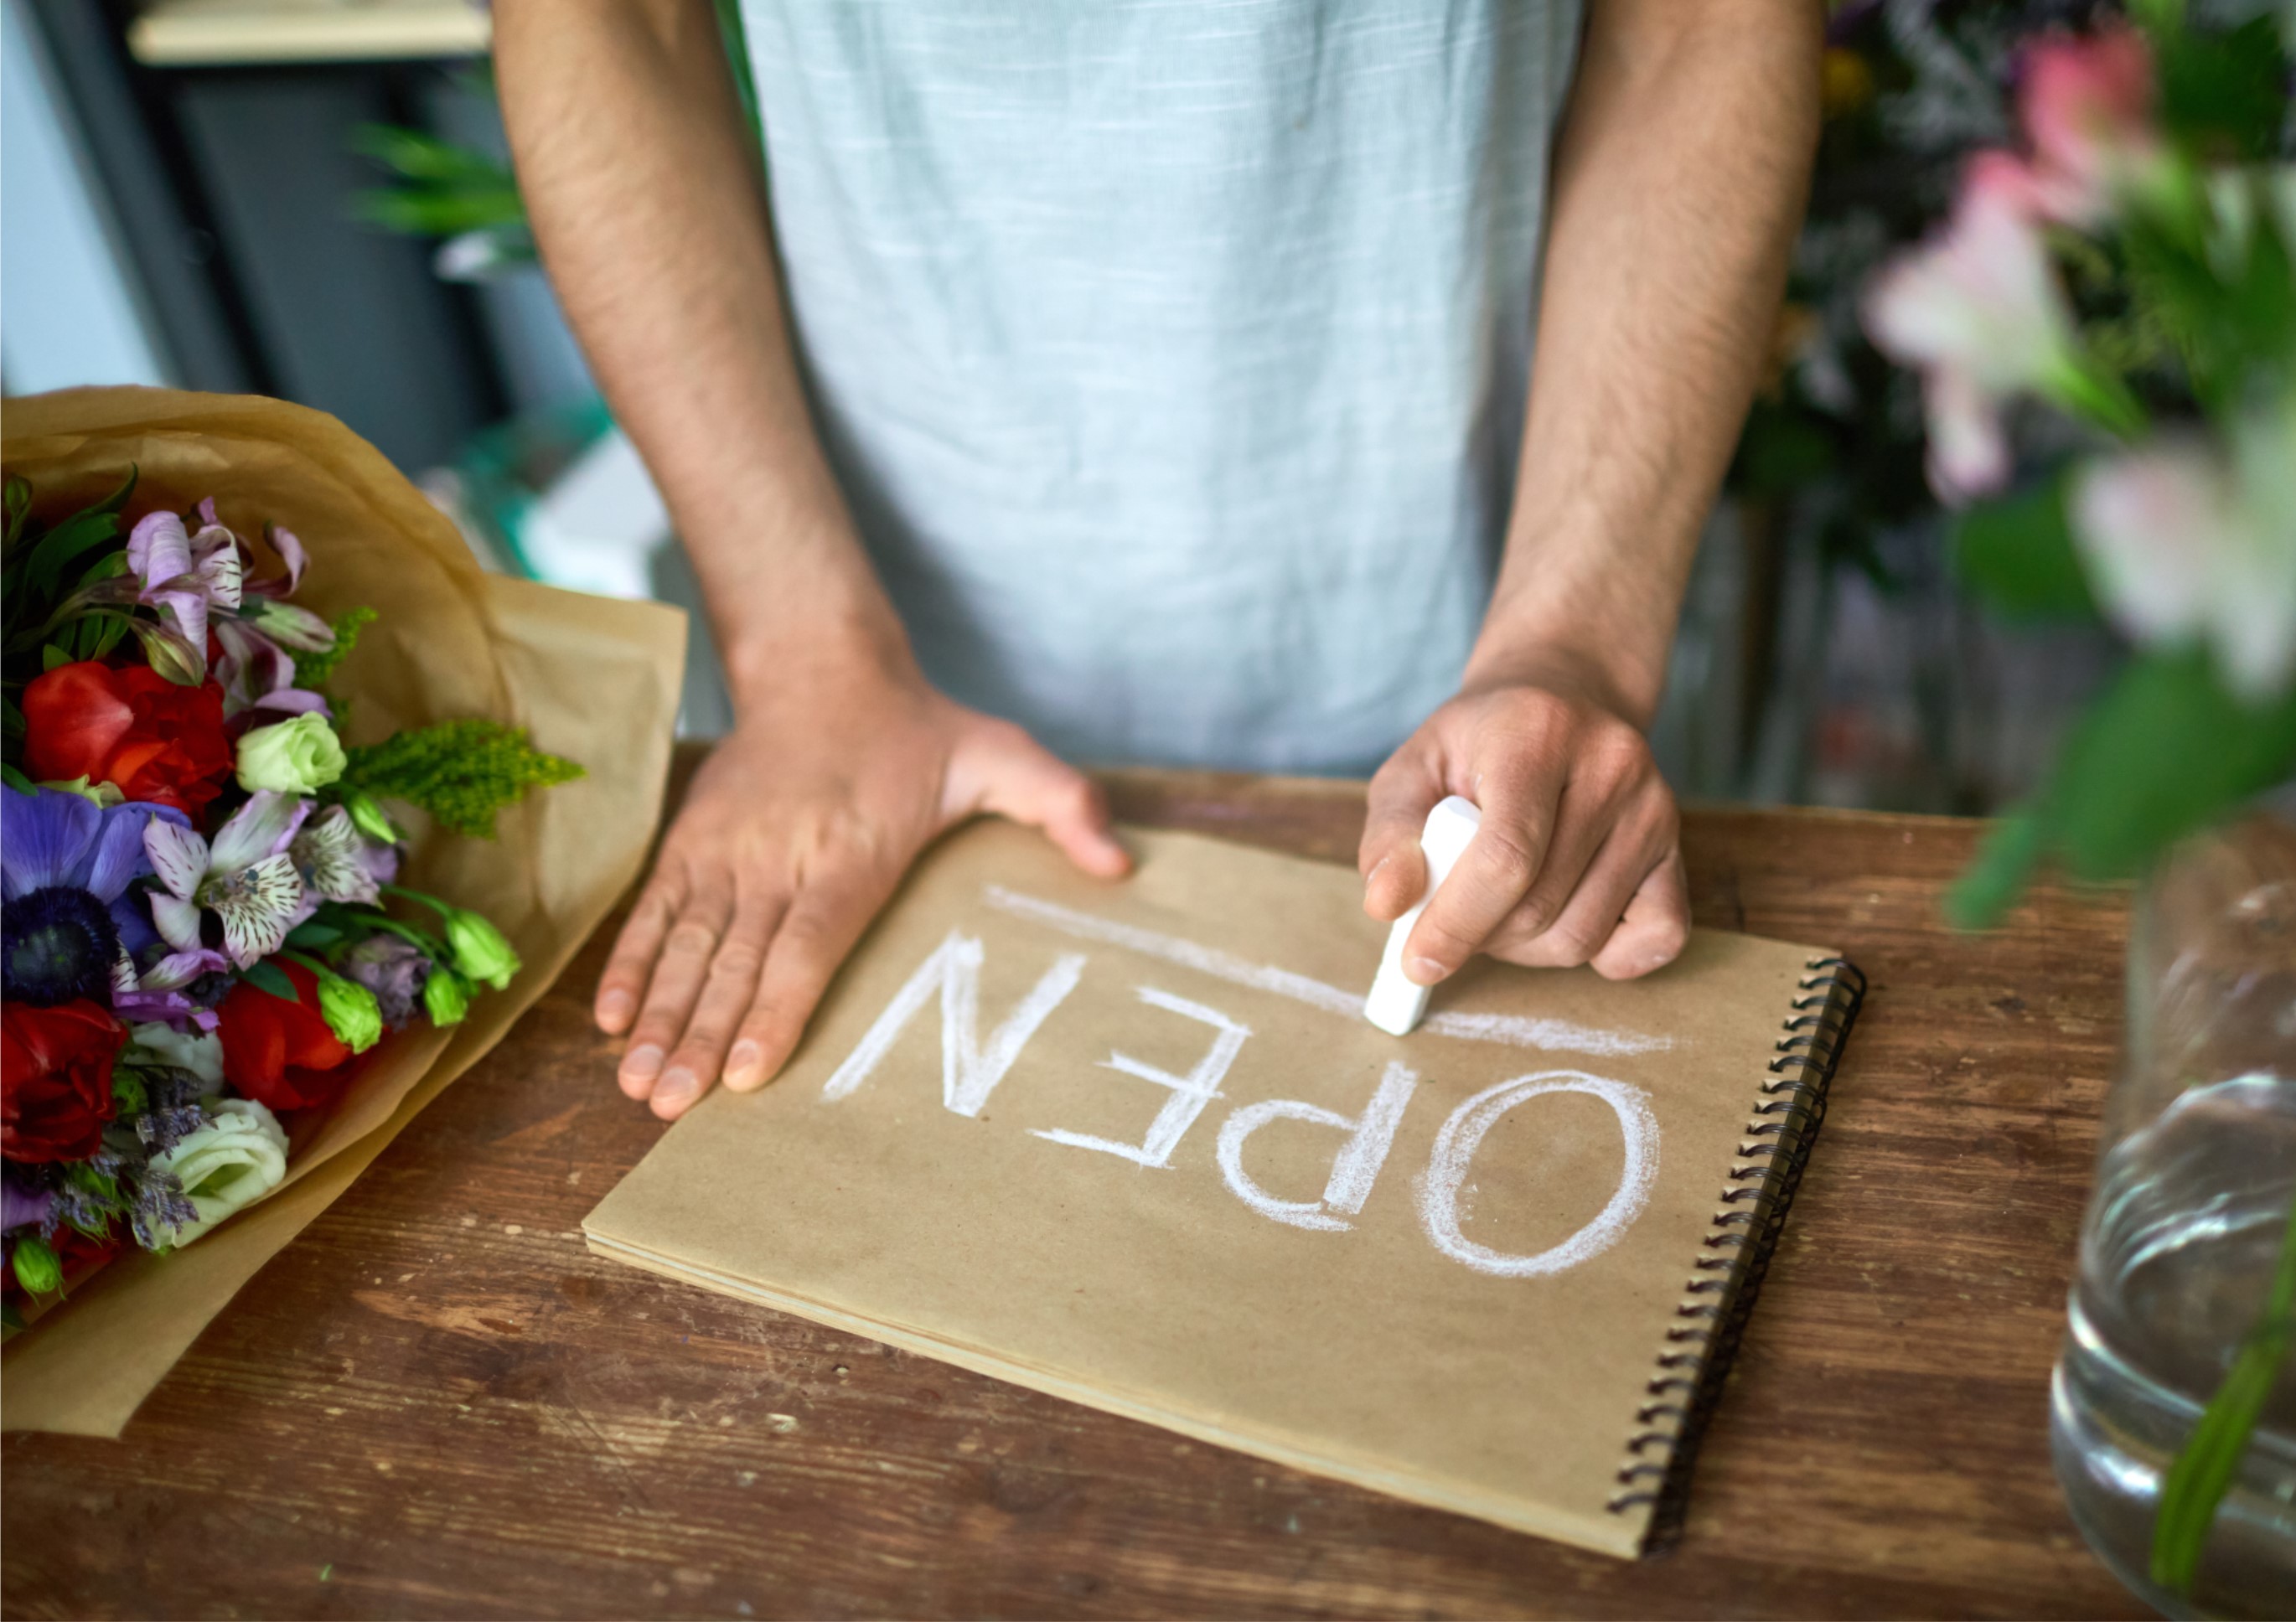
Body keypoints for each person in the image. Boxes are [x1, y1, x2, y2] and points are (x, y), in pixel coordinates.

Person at [494, 0, 1820, 1121]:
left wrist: (1573, 636)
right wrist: (802, 657)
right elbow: (610, 24)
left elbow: (1697, 27)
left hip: (1495, 620)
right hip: (870, 656)